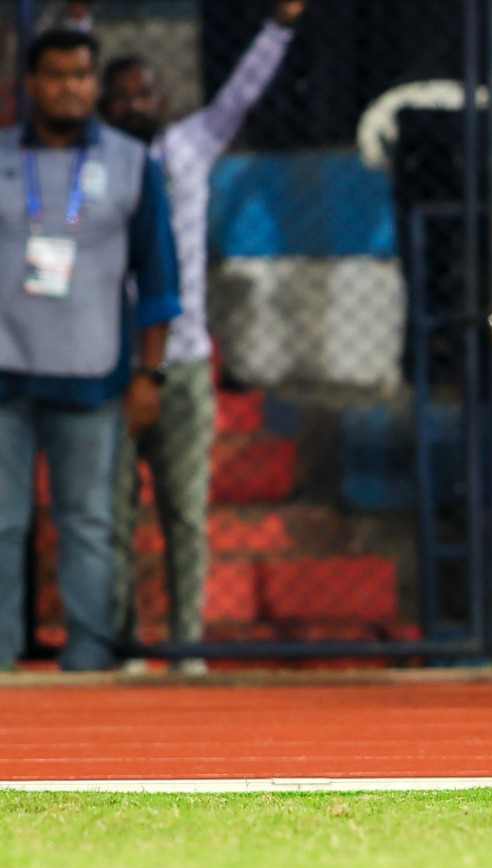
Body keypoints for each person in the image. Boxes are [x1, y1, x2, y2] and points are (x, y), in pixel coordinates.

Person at [100, 0, 305, 670]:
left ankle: (185, 642)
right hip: (109, 361)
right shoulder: (94, 163)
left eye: (146, 90)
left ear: (164, 98)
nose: (136, 102)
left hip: (184, 361)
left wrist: (277, 26)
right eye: (123, 92)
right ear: (106, 103)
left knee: (185, 512)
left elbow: (242, 92)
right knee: (113, 517)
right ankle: (124, 641)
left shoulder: (189, 145)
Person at [0, 29, 180, 671]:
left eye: (80, 76)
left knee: (88, 525)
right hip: (5, 376)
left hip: (92, 373)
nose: (68, 88)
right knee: (2, 524)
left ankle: (89, 661)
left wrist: (149, 374)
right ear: (31, 83)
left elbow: (158, 279)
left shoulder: (134, 164)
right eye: (54, 76)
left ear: (94, 84)